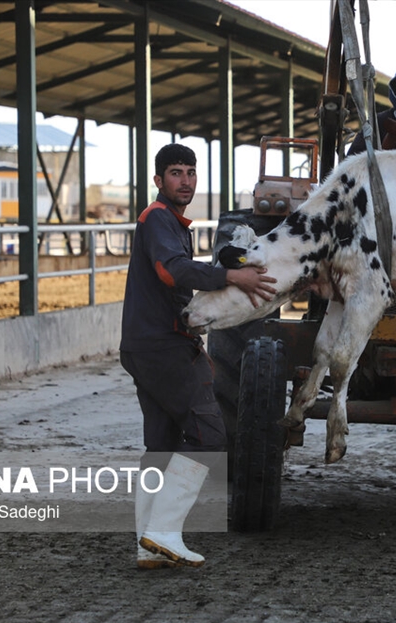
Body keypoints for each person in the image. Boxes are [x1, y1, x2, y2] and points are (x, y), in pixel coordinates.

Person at [119, 143, 277, 569]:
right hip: (162, 345)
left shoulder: (169, 222)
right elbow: (173, 271)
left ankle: (146, 545)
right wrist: (233, 275)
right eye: (175, 172)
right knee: (209, 434)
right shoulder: (158, 220)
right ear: (158, 181)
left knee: (161, 444)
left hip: (146, 344)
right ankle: (164, 532)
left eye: (190, 172)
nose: (185, 180)